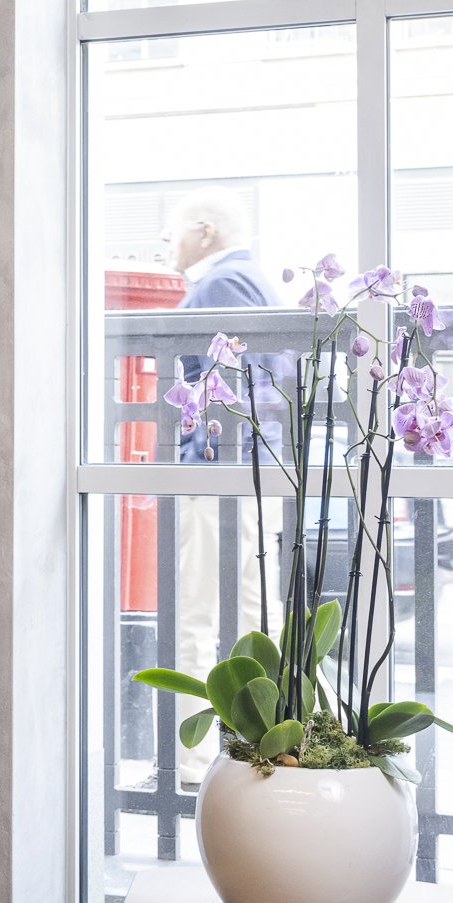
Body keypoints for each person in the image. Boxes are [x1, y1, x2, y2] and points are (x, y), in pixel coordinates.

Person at [165, 193, 276, 769]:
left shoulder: (221, 285)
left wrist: (194, 451)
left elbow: (222, 388)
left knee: (201, 610)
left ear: (204, 231)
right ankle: (262, 742)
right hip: (248, 469)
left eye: (174, 234)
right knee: (252, 610)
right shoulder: (251, 278)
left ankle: (198, 758)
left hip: (219, 472)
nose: (170, 247)